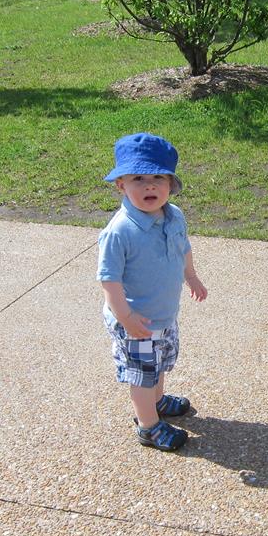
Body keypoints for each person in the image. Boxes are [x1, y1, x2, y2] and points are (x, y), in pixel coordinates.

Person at [97, 133, 208, 451]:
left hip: (163, 314)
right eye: (138, 179)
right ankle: (148, 426)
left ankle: (157, 402)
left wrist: (191, 277)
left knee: (158, 365)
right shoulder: (120, 231)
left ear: (171, 183)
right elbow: (109, 281)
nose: (149, 186)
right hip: (136, 320)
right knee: (142, 376)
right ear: (121, 185)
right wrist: (126, 317)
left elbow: (183, 248)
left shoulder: (174, 216)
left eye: (158, 177)